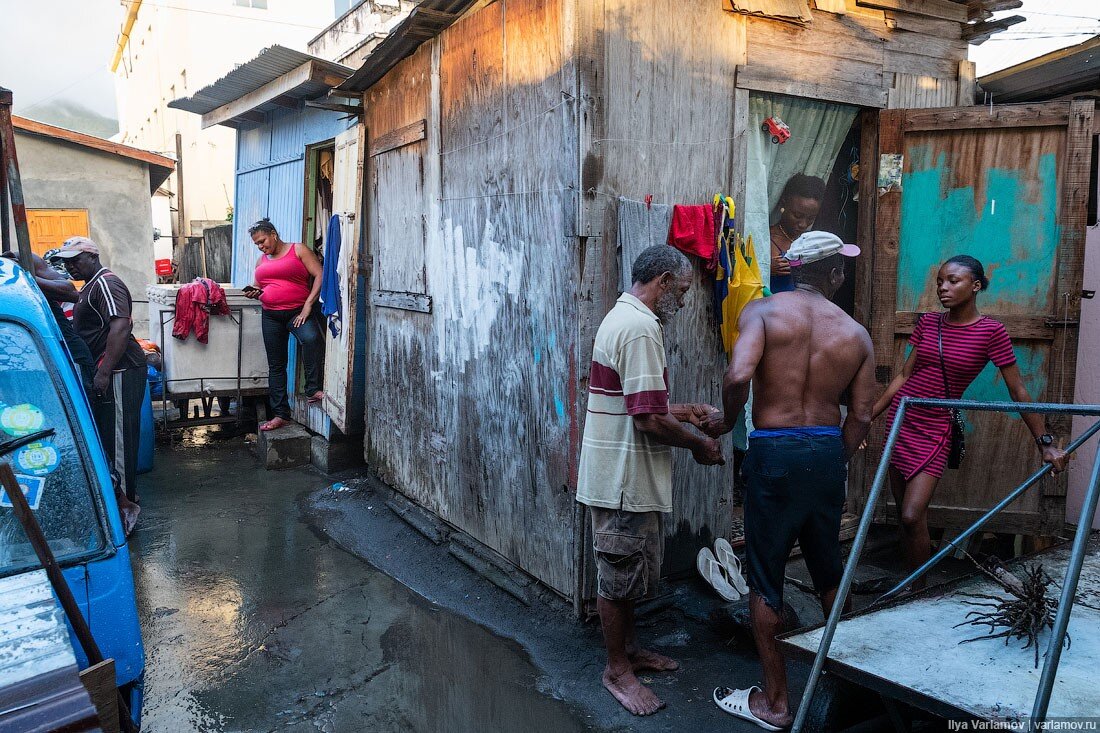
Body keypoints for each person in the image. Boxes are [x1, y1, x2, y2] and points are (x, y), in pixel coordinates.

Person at [704, 231, 875, 730]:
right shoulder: (855, 333)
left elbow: (738, 378)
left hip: (775, 450)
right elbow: (861, 417)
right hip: (825, 450)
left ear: (796, 269)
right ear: (836, 274)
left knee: (765, 574)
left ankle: (776, 704)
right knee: (829, 571)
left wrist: (723, 421)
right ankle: (853, 689)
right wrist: (830, 458)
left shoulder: (761, 312)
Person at [576, 244, 725, 717]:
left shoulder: (623, 317)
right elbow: (646, 420)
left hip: (618, 471)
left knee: (628, 570)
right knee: (618, 576)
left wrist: (686, 412)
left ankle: (630, 651)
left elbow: (636, 403)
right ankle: (617, 669)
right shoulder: (641, 328)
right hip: (622, 476)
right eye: (679, 293)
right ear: (661, 282)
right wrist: (700, 443)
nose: (680, 304)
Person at [872, 255, 1067, 588]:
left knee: (911, 513)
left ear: (975, 286)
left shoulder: (991, 331)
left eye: (953, 281)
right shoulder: (929, 323)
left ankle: (920, 589)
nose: (943, 287)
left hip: (935, 427)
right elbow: (905, 374)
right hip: (903, 419)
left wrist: (1045, 443)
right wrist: (868, 417)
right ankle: (911, 586)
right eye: (940, 281)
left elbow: (1018, 389)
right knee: (904, 519)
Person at [48, 237, 144, 534]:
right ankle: (121, 501)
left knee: (119, 441)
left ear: (93, 256)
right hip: (111, 369)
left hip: (120, 369)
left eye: (76, 259)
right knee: (112, 437)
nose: (71, 265)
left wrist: (103, 372)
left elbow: (121, 326)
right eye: (67, 261)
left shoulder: (106, 282)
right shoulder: (89, 286)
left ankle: (126, 510)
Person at [243, 219, 325, 432]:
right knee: (276, 365)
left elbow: (320, 275)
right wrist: (253, 290)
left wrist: (308, 305)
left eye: (262, 241)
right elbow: (258, 284)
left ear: (273, 234)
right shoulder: (262, 260)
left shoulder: (298, 250)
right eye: (257, 244)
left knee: (312, 339)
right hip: (270, 315)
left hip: (297, 311)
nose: (261, 247)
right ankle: (281, 415)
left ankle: (312, 389)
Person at [768, 174, 826, 293]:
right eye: (797, 216)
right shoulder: (766, 239)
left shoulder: (812, 243)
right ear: (783, 204)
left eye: (811, 218)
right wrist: (766, 269)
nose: (803, 224)